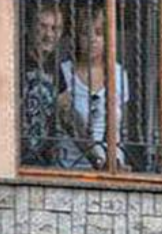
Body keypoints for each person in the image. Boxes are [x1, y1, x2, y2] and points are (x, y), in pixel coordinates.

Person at [55, 1, 131, 171]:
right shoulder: (63, 72)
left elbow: (120, 127)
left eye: (98, 33)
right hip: (69, 167)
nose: (92, 40)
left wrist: (116, 161)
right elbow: (64, 118)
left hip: (112, 167)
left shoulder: (119, 74)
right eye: (84, 33)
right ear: (75, 37)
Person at [21, 2, 65, 166]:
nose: (49, 35)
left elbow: (65, 110)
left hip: (44, 161)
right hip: (15, 162)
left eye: (55, 29)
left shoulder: (54, 65)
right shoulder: (16, 57)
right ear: (29, 27)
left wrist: (97, 158)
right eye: (43, 27)